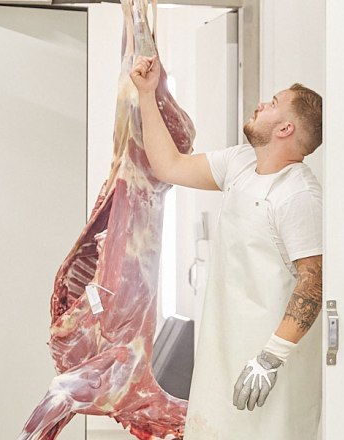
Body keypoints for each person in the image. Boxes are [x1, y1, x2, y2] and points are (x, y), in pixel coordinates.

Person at [130, 55, 323, 439]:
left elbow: (313, 283)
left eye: (272, 103)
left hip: (267, 369)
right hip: (221, 354)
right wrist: (147, 95)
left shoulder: (299, 195)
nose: (260, 105)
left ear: (285, 127)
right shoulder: (239, 163)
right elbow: (168, 165)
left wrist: (270, 358)